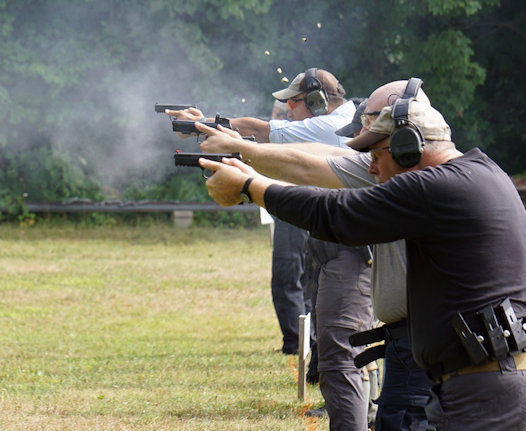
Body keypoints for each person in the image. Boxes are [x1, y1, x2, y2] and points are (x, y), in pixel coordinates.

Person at [199, 97, 526, 430]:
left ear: (407, 148)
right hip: (482, 382)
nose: (371, 168)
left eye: (376, 156)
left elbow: (336, 213)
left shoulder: (436, 187)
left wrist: (251, 187)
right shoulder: (480, 173)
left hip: (484, 393)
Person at [195, 79, 434, 430]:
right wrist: (242, 152)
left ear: (404, 144)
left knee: (340, 355)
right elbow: (333, 156)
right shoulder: (416, 174)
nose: (369, 164)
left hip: (422, 344)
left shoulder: (416, 182)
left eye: (374, 148)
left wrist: (249, 180)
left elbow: (310, 173)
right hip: (410, 343)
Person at [167, 69, 356, 357]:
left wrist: (202, 124)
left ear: (318, 101)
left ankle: (315, 356)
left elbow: (259, 130)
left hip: (343, 235)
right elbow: (262, 140)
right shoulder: (337, 120)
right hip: (335, 227)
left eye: (295, 102)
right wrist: (201, 126)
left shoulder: (331, 126)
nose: (288, 108)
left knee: (326, 301)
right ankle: (317, 358)